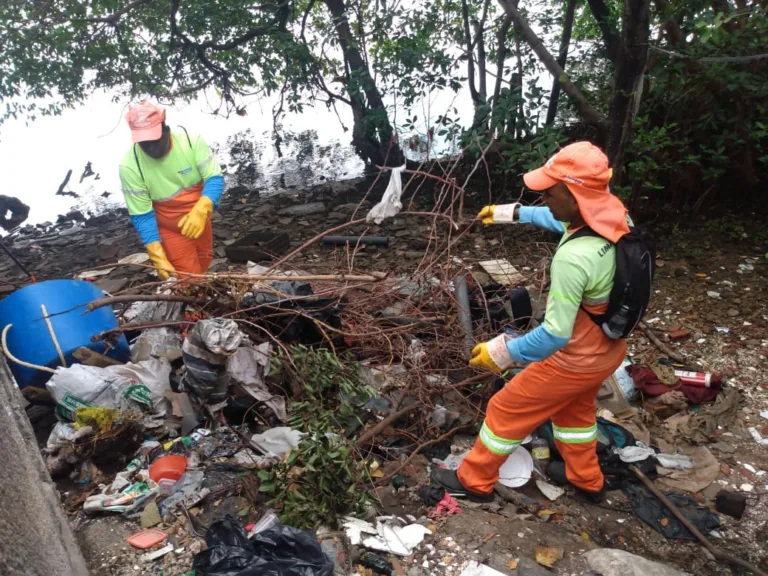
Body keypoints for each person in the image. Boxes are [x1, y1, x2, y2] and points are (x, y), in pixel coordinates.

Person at [432, 141, 631, 503]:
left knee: (505, 409)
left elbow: (555, 334)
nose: (545, 198)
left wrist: (504, 352)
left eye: (550, 192)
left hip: (573, 360)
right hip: (608, 351)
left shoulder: (574, 259)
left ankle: (473, 482)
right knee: (575, 416)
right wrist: (514, 213)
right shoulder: (615, 218)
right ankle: (588, 483)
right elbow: (561, 221)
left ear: (574, 193)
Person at [119, 100, 224, 278]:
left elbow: (214, 178)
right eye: (144, 143)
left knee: (204, 263)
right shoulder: (130, 167)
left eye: (155, 140)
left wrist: (201, 209)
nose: (151, 148)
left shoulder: (191, 142)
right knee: (189, 281)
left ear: (166, 129)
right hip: (170, 228)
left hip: (199, 220)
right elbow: (142, 216)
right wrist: (157, 255)